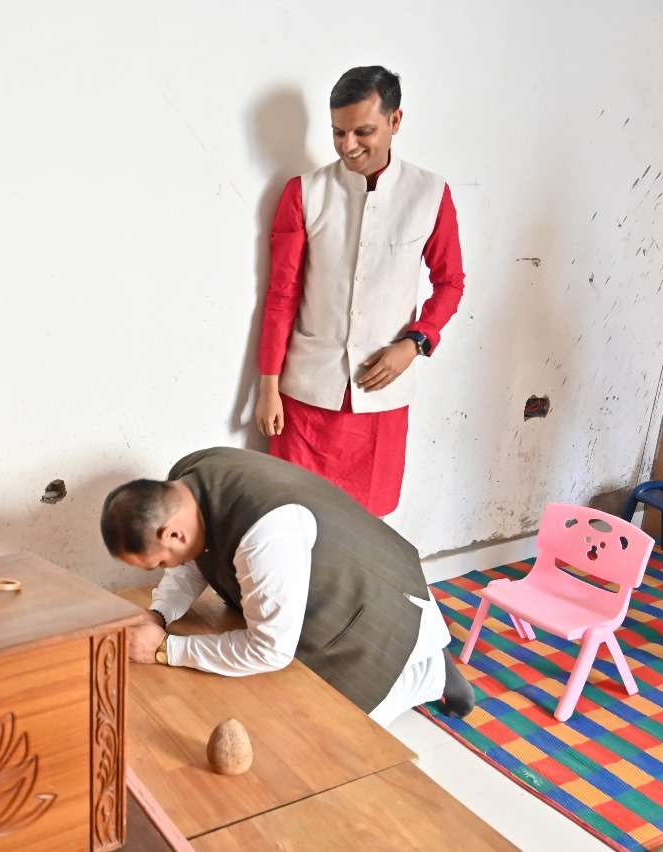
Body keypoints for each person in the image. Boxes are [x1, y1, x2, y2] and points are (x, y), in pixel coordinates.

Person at [100, 446, 474, 726]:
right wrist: (158, 614)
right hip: (325, 579)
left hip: (374, 609)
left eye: (160, 562)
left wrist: (166, 649)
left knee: (338, 735)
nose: (167, 568)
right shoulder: (184, 485)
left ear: (172, 533)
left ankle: (431, 673)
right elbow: (192, 558)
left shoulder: (265, 536)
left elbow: (269, 651)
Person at [253, 66, 466, 516]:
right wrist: (268, 384)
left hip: (382, 397)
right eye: (338, 132)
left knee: (368, 525)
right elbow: (281, 295)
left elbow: (450, 282)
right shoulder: (304, 193)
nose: (348, 145)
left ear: (395, 121)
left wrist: (415, 342)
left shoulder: (430, 194)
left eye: (363, 132)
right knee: (292, 517)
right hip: (306, 396)